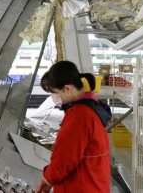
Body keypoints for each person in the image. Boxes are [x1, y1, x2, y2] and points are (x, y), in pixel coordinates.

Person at [35, 61, 112, 193]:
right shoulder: (92, 106)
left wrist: (47, 178)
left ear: (67, 89)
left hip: (80, 186)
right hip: (95, 183)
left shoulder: (79, 116)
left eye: (54, 92)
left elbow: (64, 161)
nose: (53, 97)